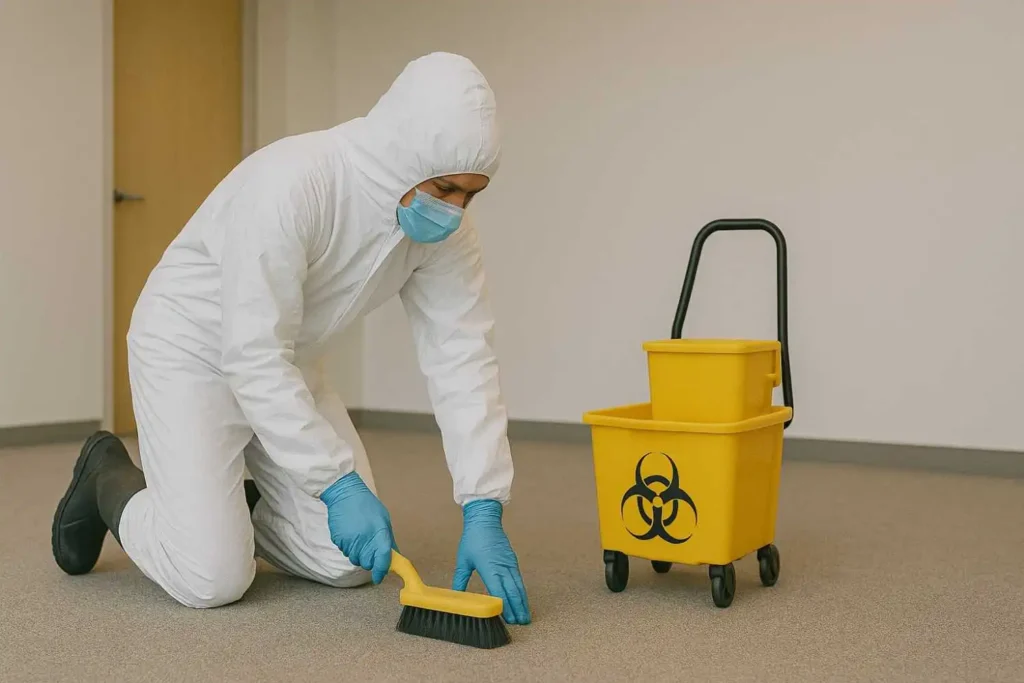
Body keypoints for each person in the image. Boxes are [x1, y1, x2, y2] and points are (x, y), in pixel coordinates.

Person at [51, 52, 531, 625]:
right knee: (210, 577)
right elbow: (249, 355)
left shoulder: (446, 233)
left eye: (470, 195)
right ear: (403, 153)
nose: (453, 211)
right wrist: (334, 486)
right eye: (445, 188)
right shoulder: (295, 182)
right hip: (191, 354)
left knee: (347, 562)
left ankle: (227, 505)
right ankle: (110, 477)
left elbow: (462, 356)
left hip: (289, 362)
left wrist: (483, 503)